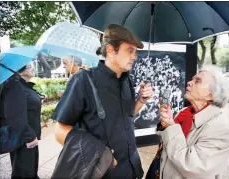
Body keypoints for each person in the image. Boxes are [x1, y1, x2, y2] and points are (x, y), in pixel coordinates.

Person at [52, 24, 153, 178]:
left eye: (135, 52)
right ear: (111, 51)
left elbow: (128, 115)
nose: (135, 56)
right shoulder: (83, 80)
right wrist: (101, 155)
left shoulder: (128, 81)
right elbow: (59, 131)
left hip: (132, 169)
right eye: (130, 51)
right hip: (103, 172)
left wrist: (141, 100)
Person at [157, 65, 229, 179]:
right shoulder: (185, 112)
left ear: (211, 94)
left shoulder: (221, 129)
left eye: (198, 81)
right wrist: (165, 124)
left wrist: (171, 126)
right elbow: (168, 145)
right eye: (193, 79)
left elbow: (193, 167)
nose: (189, 82)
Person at [1, 63, 42, 178]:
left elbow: (25, 102)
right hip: (23, 138)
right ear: (19, 71)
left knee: (31, 171)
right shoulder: (14, 85)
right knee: (23, 172)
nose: (32, 68)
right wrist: (29, 137)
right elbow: (14, 115)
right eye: (29, 67)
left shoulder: (22, 84)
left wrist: (38, 98)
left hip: (29, 136)